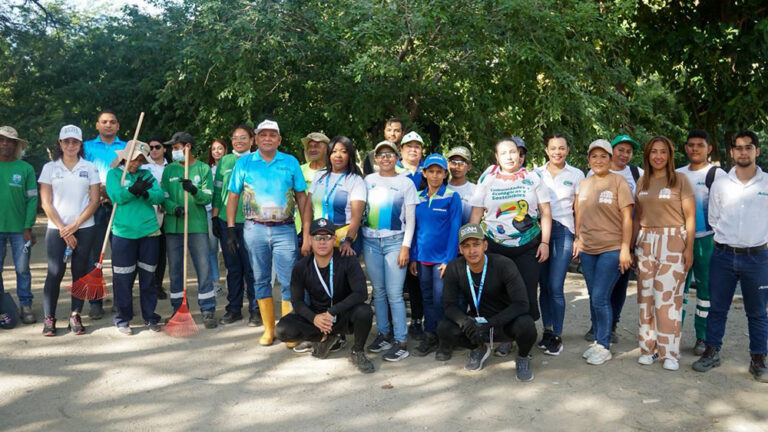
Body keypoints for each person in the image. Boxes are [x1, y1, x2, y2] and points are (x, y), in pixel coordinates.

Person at [693, 130, 768, 383]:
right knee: (718, 308)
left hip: (757, 258)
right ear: (732, 152)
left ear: (757, 151)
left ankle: (758, 358)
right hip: (723, 255)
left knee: (757, 312)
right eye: (738, 148)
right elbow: (714, 218)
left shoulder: (767, 183)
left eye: (748, 147)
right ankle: (712, 351)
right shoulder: (721, 183)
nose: (743, 152)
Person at [226, 119, 308, 346]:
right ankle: (269, 330)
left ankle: (289, 330)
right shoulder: (244, 164)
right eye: (263, 135)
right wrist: (231, 227)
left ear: (279, 139)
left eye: (272, 135)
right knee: (260, 278)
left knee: (288, 280)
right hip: (255, 228)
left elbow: (302, 197)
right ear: (256, 139)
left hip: (284, 229)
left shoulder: (290, 162)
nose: (268, 138)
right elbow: (233, 195)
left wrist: (307, 232)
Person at [469, 136, 551, 357]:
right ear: (497, 157)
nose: (509, 156)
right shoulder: (487, 180)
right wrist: (472, 245)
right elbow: (476, 214)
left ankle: (524, 337)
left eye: (513, 151)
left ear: (520, 154)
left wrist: (544, 242)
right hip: (495, 246)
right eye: (504, 152)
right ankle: (506, 337)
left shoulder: (533, 178)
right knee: (499, 293)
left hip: (528, 246)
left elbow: (545, 213)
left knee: (526, 292)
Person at [437, 223, 537, 381]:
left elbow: (522, 304)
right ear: (460, 249)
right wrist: (465, 322)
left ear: (485, 245)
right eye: (467, 246)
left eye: (476, 244)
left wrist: (492, 322)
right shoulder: (454, 268)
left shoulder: (503, 264)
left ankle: (523, 357)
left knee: (527, 325)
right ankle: (478, 348)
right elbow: (449, 306)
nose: (472, 251)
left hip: (504, 322)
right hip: (477, 324)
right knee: (444, 328)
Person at [275, 218, 375, 373]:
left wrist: (332, 312)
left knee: (365, 311)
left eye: (327, 237)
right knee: (282, 329)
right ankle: (323, 338)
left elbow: (361, 293)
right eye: (317, 237)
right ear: (310, 240)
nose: (322, 242)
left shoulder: (347, 259)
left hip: (342, 314)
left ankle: (357, 351)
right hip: (318, 317)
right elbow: (297, 301)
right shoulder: (301, 266)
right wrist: (314, 318)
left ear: (334, 239)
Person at [633, 136, 695, 371]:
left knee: (667, 300)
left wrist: (688, 248)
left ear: (669, 155)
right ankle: (647, 348)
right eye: (653, 152)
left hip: (673, 241)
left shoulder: (680, 180)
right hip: (646, 241)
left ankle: (669, 352)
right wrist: (632, 246)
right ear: (647, 155)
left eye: (663, 152)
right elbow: (638, 216)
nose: (658, 156)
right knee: (645, 297)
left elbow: (690, 216)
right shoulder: (642, 181)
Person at [574, 140, 634, 365]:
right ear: (589, 160)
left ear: (610, 159)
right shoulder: (585, 184)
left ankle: (604, 344)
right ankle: (599, 341)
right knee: (594, 297)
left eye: (603, 156)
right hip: (588, 249)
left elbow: (628, 218)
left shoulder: (619, 182)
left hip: (612, 248)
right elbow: (579, 213)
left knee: (600, 296)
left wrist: (625, 249)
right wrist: (578, 239)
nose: (598, 160)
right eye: (594, 156)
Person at [38, 125, 100, 336]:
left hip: (85, 228)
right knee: (55, 272)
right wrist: (65, 230)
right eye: (67, 141)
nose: (71, 145)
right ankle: (50, 318)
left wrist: (74, 226)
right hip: (56, 229)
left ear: (80, 144)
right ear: (60, 143)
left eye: (75, 142)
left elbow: (94, 201)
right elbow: (46, 203)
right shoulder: (49, 168)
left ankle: (75, 314)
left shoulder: (90, 167)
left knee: (80, 273)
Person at [363, 140, 419, 362]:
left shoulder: (406, 183)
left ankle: (401, 341)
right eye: (381, 155)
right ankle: (384, 334)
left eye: (390, 154)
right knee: (379, 291)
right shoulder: (368, 181)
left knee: (395, 293)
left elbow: (411, 219)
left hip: (395, 241)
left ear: (397, 158)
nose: (385, 158)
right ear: (376, 159)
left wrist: (405, 246)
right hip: (370, 242)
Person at [585, 134, 644, 342]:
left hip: (625, 238)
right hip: (593, 243)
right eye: (621, 150)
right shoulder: (589, 177)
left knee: (618, 285)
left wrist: (628, 246)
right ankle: (599, 327)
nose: (624, 154)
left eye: (628, 151)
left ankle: (611, 326)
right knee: (598, 291)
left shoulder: (637, 174)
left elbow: (637, 210)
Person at [106, 140, 164, 335]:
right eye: (134, 160)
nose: (136, 164)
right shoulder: (114, 174)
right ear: (125, 157)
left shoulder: (147, 174)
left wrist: (145, 192)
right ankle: (123, 319)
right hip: (123, 233)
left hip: (149, 232)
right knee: (123, 278)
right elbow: (116, 197)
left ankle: (150, 316)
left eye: (140, 160)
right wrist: (132, 190)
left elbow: (159, 197)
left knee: (148, 277)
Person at [676, 130, 726, 356]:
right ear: (686, 148)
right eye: (691, 145)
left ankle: (702, 337)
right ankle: (673, 334)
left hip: (707, 239)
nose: (695, 149)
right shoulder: (676, 174)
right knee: (678, 290)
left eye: (700, 145)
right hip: (679, 239)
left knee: (706, 290)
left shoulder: (717, 175)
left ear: (709, 148)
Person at [162, 132, 217, 329]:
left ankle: (208, 309)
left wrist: (194, 190)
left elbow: (207, 197)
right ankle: (178, 308)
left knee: (203, 268)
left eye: (176, 148)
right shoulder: (169, 170)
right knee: (176, 269)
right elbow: (163, 196)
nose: (173, 151)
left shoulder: (202, 168)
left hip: (196, 225)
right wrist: (172, 208)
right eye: (172, 149)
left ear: (188, 147)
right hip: (174, 226)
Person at [535, 133, 584, 355]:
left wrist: (579, 237)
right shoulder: (536, 174)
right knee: (543, 286)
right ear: (546, 150)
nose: (557, 152)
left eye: (561, 148)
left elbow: (579, 208)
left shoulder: (575, 174)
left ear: (568, 150)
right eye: (553, 148)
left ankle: (557, 334)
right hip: (540, 231)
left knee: (555, 285)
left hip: (564, 231)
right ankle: (547, 330)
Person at [409, 154, 462, 356]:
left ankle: (445, 340)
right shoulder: (418, 197)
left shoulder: (451, 196)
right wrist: (414, 257)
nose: (434, 175)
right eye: (430, 171)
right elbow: (414, 229)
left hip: (442, 260)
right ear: (424, 173)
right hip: (422, 259)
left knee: (441, 300)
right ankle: (430, 335)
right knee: (427, 299)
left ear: (444, 173)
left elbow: (455, 228)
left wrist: (448, 259)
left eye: (439, 171)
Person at [83, 109, 127, 320]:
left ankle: (121, 301)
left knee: (121, 255)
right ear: (97, 125)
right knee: (95, 256)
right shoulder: (86, 147)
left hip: (119, 206)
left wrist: (112, 193)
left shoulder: (127, 147)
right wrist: (99, 192)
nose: (108, 125)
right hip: (96, 205)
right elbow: (81, 174)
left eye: (112, 122)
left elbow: (132, 174)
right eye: (104, 122)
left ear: (118, 126)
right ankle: (95, 302)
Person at [213, 125, 260, 326]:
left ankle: (256, 309)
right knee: (233, 267)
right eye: (235, 138)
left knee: (252, 268)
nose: (239, 141)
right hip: (227, 222)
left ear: (252, 139)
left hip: (252, 221)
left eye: (243, 137)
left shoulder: (259, 160)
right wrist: (215, 217)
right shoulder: (225, 161)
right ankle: (233, 309)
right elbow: (217, 191)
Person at [302, 136, 366, 257]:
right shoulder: (319, 176)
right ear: (329, 154)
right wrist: (306, 239)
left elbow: (356, 217)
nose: (338, 155)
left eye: (343, 151)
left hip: (342, 238)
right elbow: (308, 209)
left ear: (350, 155)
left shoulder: (355, 180)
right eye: (334, 151)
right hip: (318, 236)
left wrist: (348, 241)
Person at [0, 126, 38, 325]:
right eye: (2, 140)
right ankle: (1, 308)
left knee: (22, 269)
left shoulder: (25, 169)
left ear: (15, 145)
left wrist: (27, 227)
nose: (5, 143)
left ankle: (26, 305)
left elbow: (32, 201)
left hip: (19, 230)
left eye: (9, 141)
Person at [398, 131, 426, 340]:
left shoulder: (428, 170)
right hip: (399, 231)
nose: (413, 150)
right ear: (401, 150)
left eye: (417, 146)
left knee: (419, 278)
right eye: (409, 146)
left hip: (423, 231)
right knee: (402, 279)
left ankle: (421, 320)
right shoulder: (394, 171)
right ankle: (401, 322)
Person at [142, 136, 169, 300]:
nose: (153, 150)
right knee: (148, 250)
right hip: (150, 211)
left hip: (168, 211)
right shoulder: (144, 167)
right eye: (150, 147)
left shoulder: (172, 167)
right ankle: (148, 283)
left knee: (161, 250)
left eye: (157, 147)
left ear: (164, 149)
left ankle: (158, 284)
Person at [206, 139, 227, 297]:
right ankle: (215, 282)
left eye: (220, 148)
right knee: (212, 249)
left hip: (226, 211)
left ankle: (233, 281)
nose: (217, 151)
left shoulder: (230, 167)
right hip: (209, 212)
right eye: (214, 149)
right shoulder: (206, 169)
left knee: (229, 249)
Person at [446, 146, 476, 225]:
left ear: (469, 166)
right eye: (453, 162)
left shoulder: (475, 190)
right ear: (448, 164)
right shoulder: (442, 188)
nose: (457, 166)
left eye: (461, 163)